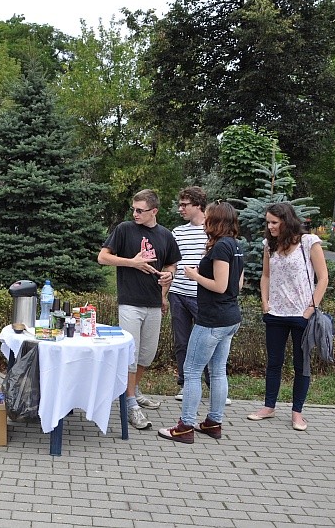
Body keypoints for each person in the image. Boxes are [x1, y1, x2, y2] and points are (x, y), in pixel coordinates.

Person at [158, 201, 244, 443]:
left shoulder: (220, 248)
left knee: (192, 370)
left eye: (208, 218)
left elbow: (220, 285)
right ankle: (213, 423)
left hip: (212, 319)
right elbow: (235, 285)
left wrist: (195, 275)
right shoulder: (235, 246)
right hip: (230, 317)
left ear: (214, 221)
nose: (205, 221)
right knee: (218, 372)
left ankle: (185, 426)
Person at [98, 189, 181, 430]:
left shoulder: (165, 235)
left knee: (146, 354)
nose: (135, 213)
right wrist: (131, 262)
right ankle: (131, 404)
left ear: (154, 211)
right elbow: (103, 257)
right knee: (130, 357)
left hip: (154, 303)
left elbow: (171, 264)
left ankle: (132, 391)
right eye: (133, 209)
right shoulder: (124, 229)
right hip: (130, 303)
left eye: (140, 210)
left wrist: (169, 277)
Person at [247, 202, 329, 431]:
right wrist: (265, 302)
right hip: (275, 314)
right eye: (268, 222)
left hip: (301, 315)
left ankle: (297, 413)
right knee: (274, 363)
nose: (270, 226)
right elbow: (265, 276)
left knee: (301, 365)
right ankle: (269, 406)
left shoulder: (308, 242)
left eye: (274, 222)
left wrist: (310, 309)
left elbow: (323, 278)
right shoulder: (269, 244)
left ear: (287, 221)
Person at [167, 187, 231, 405]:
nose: (180, 209)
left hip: (203, 296)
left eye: (185, 205)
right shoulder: (177, 232)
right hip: (178, 294)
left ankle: (215, 386)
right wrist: (165, 290)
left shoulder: (212, 231)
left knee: (210, 343)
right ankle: (186, 385)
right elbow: (172, 263)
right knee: (182, 342)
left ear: (198, 205)